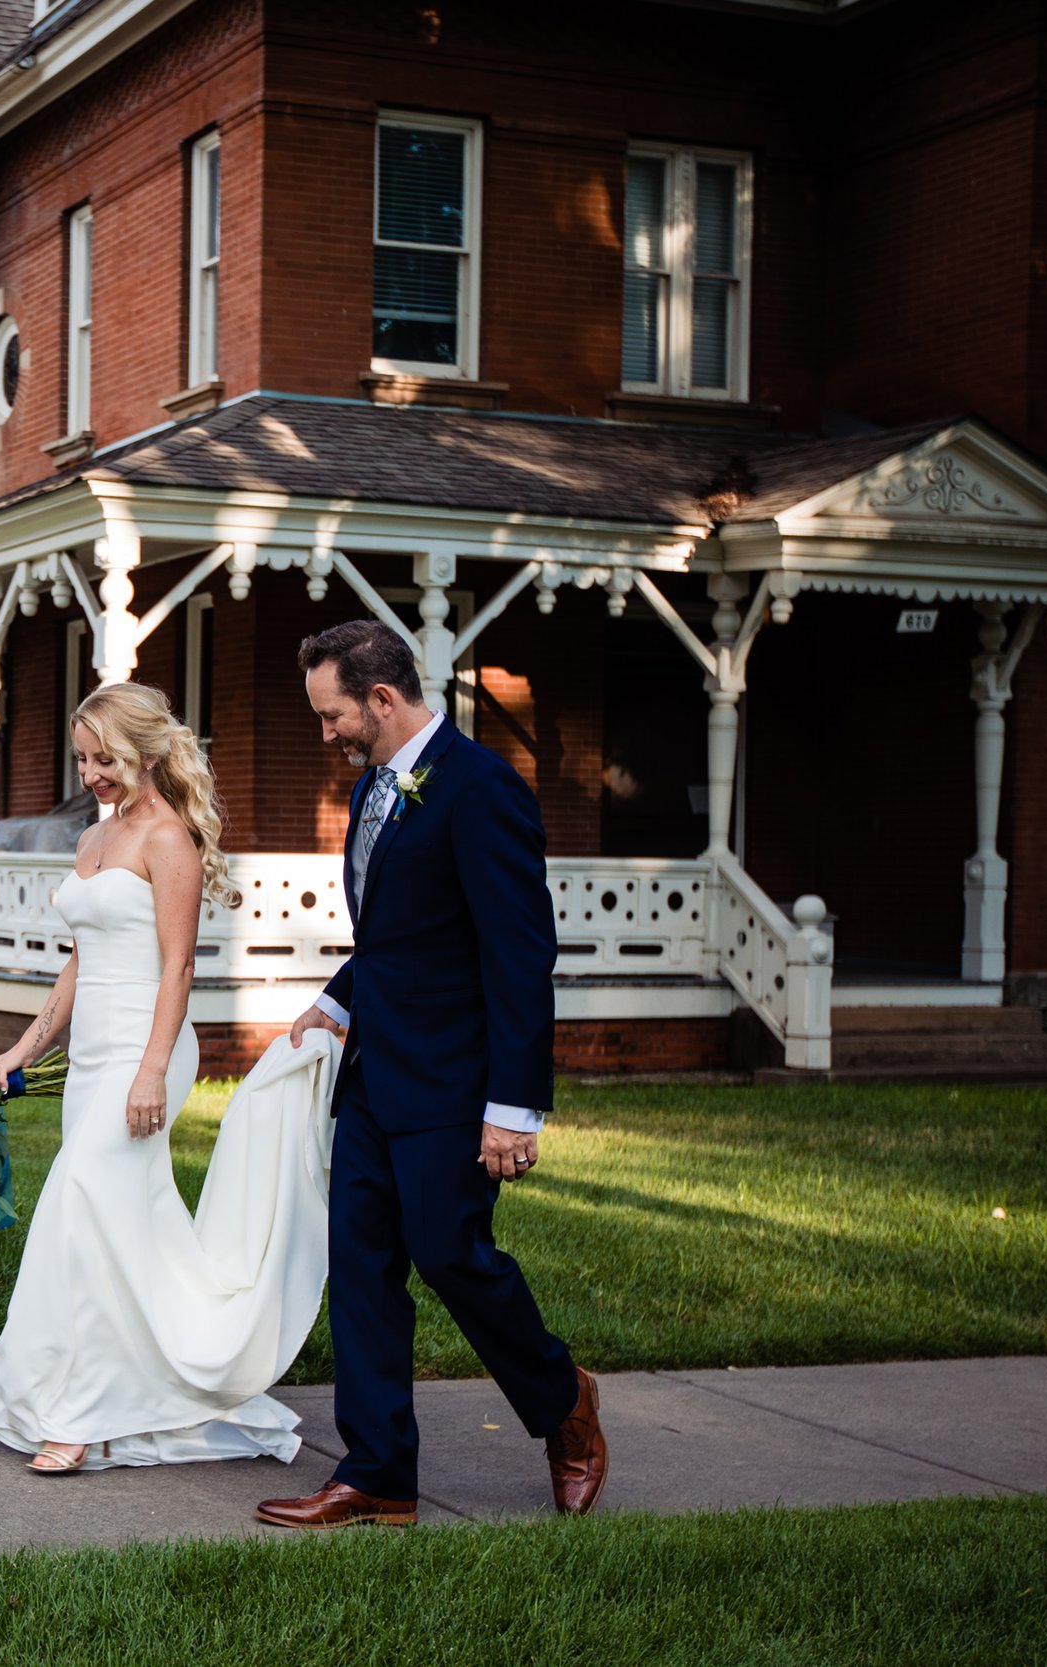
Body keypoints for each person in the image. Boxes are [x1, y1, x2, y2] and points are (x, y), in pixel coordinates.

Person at [255, 619, 610, 1528]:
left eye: (332, 714)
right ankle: (376, 1473)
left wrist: (514, 1107)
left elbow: (520, 955)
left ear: (381, 698)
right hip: (375, 1077)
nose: (325, 733)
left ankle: (563, 1401)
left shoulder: (483, 790)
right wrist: (339, 999)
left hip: (457, 1084)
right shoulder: (377, 784)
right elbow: (399, 933)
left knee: (452, 1254)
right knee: (362, 1264)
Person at [0, 682, 335, 1473]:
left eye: (105, 758)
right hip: (93, 1057)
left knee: (79, 1202)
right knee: (117, 1228)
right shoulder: (96, 838)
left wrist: (152, 1071)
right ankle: (109, 1379)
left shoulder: (167, 839)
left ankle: (84, 1413)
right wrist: (24, 1050)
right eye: (84, 758)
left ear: (147, 751)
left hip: (146, 1050)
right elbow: (81, 957)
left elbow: (178, 967)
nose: (91, 773)